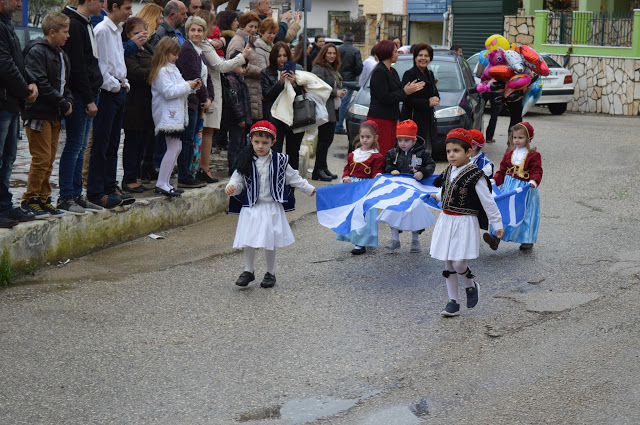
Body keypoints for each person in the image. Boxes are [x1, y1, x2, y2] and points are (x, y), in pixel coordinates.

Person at [225, 121, 316, 288]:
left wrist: (309, 189)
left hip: (271, 207)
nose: (260, 146)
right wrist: (232, 188)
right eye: (257, 142)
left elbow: (294, 178)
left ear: (273, 142)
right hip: (251, 207)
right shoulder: (245, 159)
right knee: (248, 240)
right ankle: (248, 270)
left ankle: (270, 272)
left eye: (265, 143)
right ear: (250, 140)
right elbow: (237, 182)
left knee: (270, 241)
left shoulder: (280, 160)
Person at [430, 128, 503, 317]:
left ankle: (470, 285)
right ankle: (452, 302)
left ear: (468, 152)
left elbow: (488, 201)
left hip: (464, 223)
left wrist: (497, 223)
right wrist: (438, 196)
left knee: (459, 263)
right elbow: (448, 188)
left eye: (456, 151)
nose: (451, 155)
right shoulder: (449, 171)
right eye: (448, 151)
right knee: (448, 263)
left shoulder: (475, 175)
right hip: (447, 220)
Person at [20, 12, 73, 219]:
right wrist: (62, 102)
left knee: (50, 159)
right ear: (52, 32)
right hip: (39, 113)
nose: (68, 36)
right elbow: (40, 82)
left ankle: (44, 198)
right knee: (41, 158)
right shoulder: (37, 51)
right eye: (65, 32)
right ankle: (30, 199)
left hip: (54, 114)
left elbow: (65, 83)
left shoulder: (61, 54)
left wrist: (69, 101)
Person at [59, 0, 106, 213]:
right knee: (74, 145)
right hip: (80, 96)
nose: (104, 4)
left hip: (91, 92)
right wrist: (88, 99)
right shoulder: (75, 24)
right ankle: (66, 195)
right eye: (101, 1)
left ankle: (77, 193)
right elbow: (77, 66)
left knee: (80, 147)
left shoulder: (86, 22)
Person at [88, 0, 135, 209]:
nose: (130, 12)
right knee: (102, 143)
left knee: (114, 142)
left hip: (118, 89)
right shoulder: (102, 30)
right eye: (127, 8)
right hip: (108, 92)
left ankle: (109, 185)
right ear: (114, 6)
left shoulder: (117, 30)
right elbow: (101, 66)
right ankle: (97, 191)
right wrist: (115, 86)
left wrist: (124, 83)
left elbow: (118, 61)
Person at [196, 10, 248, 183]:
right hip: (212, 93)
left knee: (207, 131)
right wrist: (242, 57)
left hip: (213, 91)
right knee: (207, 131)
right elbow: (220, 66)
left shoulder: (206, 44)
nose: (214, 28)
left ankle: (203, 166)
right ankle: (204, 168)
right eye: (212, 24)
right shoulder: (204, 45)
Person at [149, 37, 202, 197]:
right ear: (165, 53)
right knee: (173, 148)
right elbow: (168, 91)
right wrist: (187, 85)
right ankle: (161, 182)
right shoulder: (162, 71)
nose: (177, 57)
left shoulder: (171, 68)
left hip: (175, 115)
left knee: (176, 148)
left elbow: (178, 87)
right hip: (167, 116)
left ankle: (164, 182)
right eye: (174, 54)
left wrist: (191, 86)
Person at [483, 122, 542, 251]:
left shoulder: (533, 155)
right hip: (509, 187)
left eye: (520, 137)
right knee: (503, 210)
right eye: (515, 137)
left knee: (525, 213)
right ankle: (495, 237)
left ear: (528, 138)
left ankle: (526, 239)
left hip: (524, 189)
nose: (517, 140)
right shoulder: (509, 153)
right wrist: (495, 180)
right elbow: (502, 170)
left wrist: (534, 181)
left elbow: (537, 170)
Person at [381, 120, 436, 253]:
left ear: (414, 140)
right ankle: (395, 239)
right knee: (393, 211)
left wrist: (422, 172)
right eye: (400, 140)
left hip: (415, 190)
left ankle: (415, 240)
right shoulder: (393, 153)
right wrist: (391, 169)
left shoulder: (423, 153)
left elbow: (431, 165)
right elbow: (386, 164)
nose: (403, 143)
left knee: (415, 214)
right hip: (398, 190)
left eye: (406, 140)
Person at [175, 15, 214, 188]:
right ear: (188, 31)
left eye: (199, 30)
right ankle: (184, 175)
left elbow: (208, 78)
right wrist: (204, 98)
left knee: (193, 140)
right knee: (188, 139)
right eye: (193, 30)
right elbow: (194, 77)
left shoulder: (199, 50)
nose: (196, 33)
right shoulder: (187, 50)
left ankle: (191, 172)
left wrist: (210, 97)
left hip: (199, 102)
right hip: (190, 101)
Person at [367, 39, 424, 156]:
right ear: (388, 53)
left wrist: (411, 88)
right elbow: (384, 97)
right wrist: (404, 92)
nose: (398, 54)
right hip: (380, 118)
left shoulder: (392, 71)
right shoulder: (379, 72)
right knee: (381, 150)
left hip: (391, 117)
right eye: (395, 51)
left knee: (389, 149)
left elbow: (399, 91)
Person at [337, 120, 385, 255]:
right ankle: (354, 238)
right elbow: (347, 168)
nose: (365, 140)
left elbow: (376, 171)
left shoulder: (377, 156)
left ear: (375, 137)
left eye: (368, 137)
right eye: (362, 137)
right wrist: (346, 176)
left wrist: (377, 178)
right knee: (353, 213)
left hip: (365, 187)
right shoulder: (353, 155)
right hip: (353, 187)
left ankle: (361, 242)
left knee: (365, 215)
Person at [121, 17, 155, 193]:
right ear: (128, 35)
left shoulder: (148, 48)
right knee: (133, 142)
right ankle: (129, 178)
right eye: (136, 34)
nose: (140, 37)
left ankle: (136, 175)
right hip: (134, 103)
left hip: (148, 103)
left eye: (142, 33)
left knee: (143, 141)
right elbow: (134, 72)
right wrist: (155, 73)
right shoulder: (128, 51)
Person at [260, 41, 304, 170]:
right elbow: (266, 95)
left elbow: (302, 95)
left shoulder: (298, 70)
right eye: (279, 56)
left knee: (293, 153)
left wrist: (295, 83)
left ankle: (291, 186)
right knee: (275, 152)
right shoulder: (266, 72)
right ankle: (275, 181)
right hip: (276, 118)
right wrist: (280, 82)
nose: (282, 59)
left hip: (293, 118)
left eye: (285, 55)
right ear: (274, 57)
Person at [311, 43, 346, 181]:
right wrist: (335, 92)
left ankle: (323, 167)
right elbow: (316, 88)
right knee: (324, 140)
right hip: (324, 109)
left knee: (328, 139)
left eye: (333, 53)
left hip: (333, 108)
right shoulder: (319, 68)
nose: (331, 56)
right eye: (329, 53)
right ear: (323, 54)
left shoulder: (331, 68)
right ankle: (317, 171)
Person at [400, 43, 440, 147]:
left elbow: (434, 92)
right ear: (415, 58)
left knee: (426, 151)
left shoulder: (430, 74)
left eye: (426, 56)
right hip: (412, 119)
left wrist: (436, 98)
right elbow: (408, 100)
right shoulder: (409, 74)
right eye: (420, 55)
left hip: (428, 119)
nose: (423, 58)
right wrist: (428, 102)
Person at [227, 12, 263, 122]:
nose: (253, 29)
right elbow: (234, 64)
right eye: (250, 26)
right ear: (242, 25)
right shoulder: (238, 41)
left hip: (252, 87)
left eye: (256, 27)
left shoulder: (250, 41)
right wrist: (261, 71)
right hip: (243, 85)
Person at [224, 54, 251, 175]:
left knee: (241, 143)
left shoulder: (240, 79)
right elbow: (235, 102)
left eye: (245, 67)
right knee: (235, 144)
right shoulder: (232, 80)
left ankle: (239, 166)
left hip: (242, 118)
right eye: (241, 67)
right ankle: (233, 167)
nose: (243, 70)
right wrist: (240, 117)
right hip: (236, 119)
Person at [335, 32, 362, 134]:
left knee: (337, 102)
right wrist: (355, 74)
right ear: (353, 39)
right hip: (350, 80)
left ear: (343, 38)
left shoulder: (338, 49)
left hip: (338, 79)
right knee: (344, 104)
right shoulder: (355, 51)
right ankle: (338, 126)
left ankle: (336, 124)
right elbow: (359, 66)